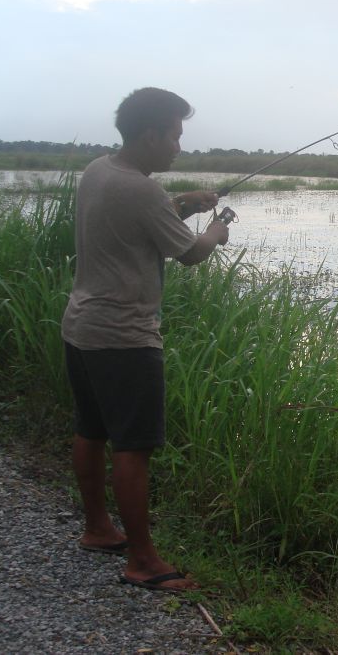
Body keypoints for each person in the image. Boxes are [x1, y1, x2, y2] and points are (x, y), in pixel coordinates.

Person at [61, 87, 229, 591]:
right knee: (134, 447)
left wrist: (183, 203)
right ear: (152, 134)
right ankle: (143, 561)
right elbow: (192, 254)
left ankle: (97, 528)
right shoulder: (142, 190)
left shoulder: (99, 170)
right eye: (176, 135)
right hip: (124, 338)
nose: (179, 145)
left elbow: (141, 225)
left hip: (82, 326)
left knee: (91, 430)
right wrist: (215, 231)